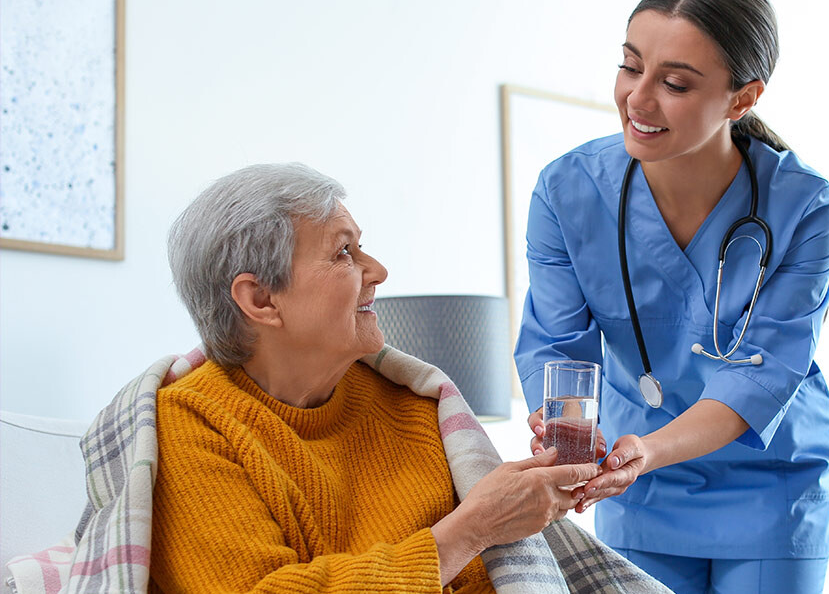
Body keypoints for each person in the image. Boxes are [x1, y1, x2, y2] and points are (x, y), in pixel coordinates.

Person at [515, 0, 829, 594]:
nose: (637, 100)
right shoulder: (568, 190)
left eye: (674, 83)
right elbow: (557, 347)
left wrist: (648, 450)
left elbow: (764, 371)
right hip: (639, 488)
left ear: (742, 98)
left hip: (769, 483)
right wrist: (569, 441)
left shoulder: (805, 206)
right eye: (630, 67)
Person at [152, 163, 600, 593]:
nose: (378, 272)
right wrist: (473, 528)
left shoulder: (412, 407)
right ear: (261, 298)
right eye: (344, 252)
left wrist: (528, 501)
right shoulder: (191, 425)